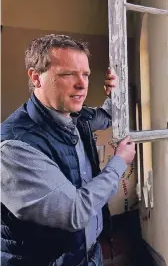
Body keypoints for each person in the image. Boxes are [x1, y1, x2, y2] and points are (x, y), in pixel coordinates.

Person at [1, 34, 136, 266]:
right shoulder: (14, 148)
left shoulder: (74, 117)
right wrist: (119, 162)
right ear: (36, 77)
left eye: (85, 74)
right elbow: (75, 212)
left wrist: (115, 92)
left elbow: (107, 116)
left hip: (89, 255)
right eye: (68, 74)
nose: (82, 84)